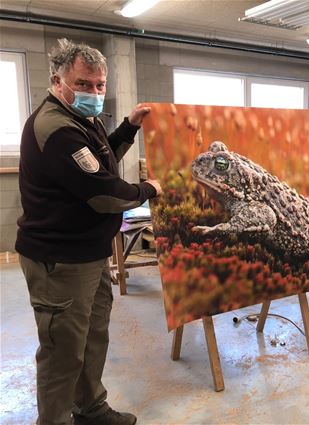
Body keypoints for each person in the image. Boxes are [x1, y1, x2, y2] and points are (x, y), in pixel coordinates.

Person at [16, 38, 162, 425]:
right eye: (83, 84)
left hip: (89, 253)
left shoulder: (83, 120)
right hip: (59, 260)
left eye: (100, 85)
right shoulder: (57, 128)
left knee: (92, 336)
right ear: (58, 80)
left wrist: (128, 128)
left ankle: (90, 407)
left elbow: (102, 162)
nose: (94, 93)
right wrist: (150, 190)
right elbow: (103, 194)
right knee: (63, 350)